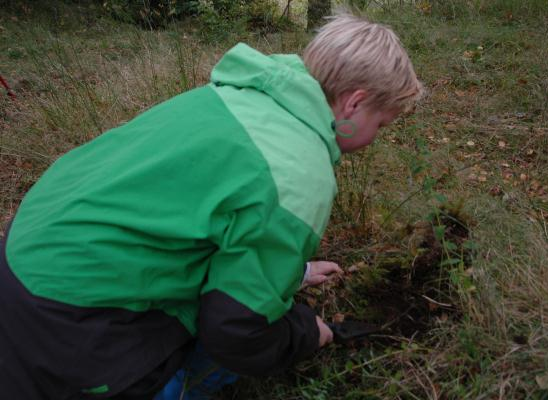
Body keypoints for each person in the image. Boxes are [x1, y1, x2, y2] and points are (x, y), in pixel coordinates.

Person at [0, 14, 422, 400]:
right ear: (353, 103)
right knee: (214, 361)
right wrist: (308, 333)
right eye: (380, 124)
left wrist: (295, 272)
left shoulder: (236, 96)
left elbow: (197, 213)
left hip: (21, 259)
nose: (375, 139)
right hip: (67, 327)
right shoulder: (301, 172)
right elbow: (236, 333)